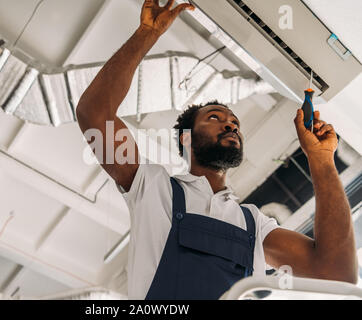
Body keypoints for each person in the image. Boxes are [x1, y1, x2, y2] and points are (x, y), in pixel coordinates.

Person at [76, 0, 358, 299]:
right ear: (186, 139)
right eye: (215, 118)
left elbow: (336, 273)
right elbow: (95, 114)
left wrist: (321, 158)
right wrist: (147, 33)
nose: (231, 125)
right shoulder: (152, 188)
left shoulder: (255, 226)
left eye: (234, 122)